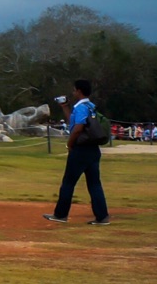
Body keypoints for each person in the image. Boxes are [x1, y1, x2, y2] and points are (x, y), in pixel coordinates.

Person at [44, 79, 109, 225]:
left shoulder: (80, 108)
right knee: (94, 184)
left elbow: (78, 128)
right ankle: (102, 216)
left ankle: (60, 214)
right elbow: (73, 122)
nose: (73, 93)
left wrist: (69, 144)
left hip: (81, 149)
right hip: (93, 149)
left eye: (74, 90)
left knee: (68, 182)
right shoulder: (90, 106)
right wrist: (65, 107)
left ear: (79, 91)